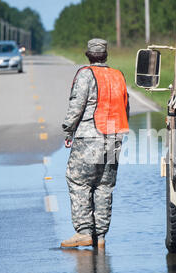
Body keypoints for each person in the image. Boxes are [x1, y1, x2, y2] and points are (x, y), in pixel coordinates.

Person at [60, 38, 130, 249]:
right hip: (114, 136)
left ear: (89, 55)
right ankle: (99, 236)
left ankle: (83, 232)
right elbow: (126, 107)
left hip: (89, 137)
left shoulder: (85, 74)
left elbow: (77, 105)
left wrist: (68, 129)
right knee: (104, 186)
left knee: (78, 181)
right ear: (106, 55)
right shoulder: (118, 76)